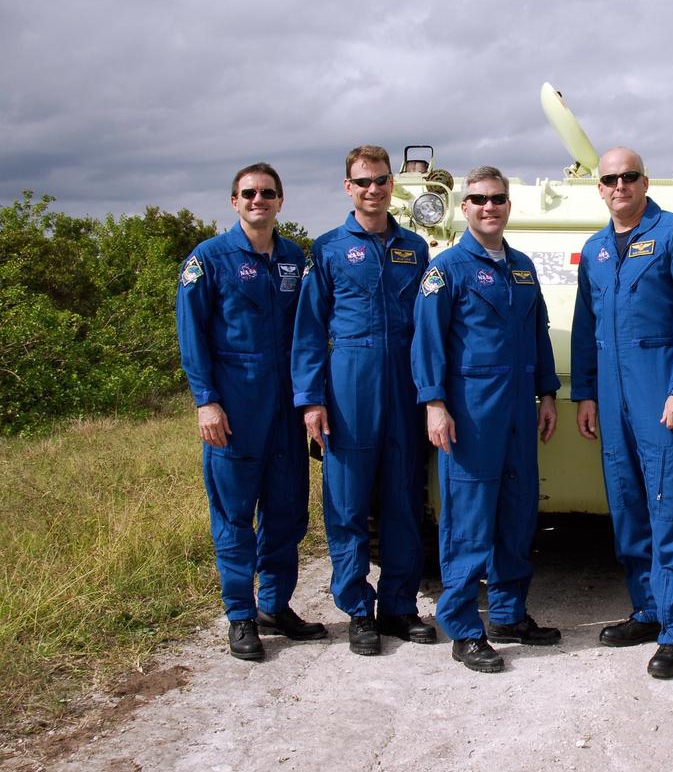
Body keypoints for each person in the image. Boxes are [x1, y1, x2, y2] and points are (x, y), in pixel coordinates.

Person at [570, 147, 673, 679]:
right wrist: (585, 392)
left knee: (669, 505)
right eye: (610, 178)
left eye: (629, 176)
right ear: (600, 188)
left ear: (645, 181)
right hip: (610, 392)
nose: (619, 185)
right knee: (628, 502)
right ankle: (648, 609)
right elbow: (586, 327)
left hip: (660, 389)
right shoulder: (596, 249)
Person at [412, 166, 562, 673]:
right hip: (471, 412)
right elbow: (427, 342)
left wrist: (547, 393)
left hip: (520, 407)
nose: (488, 207)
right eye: (478, 199)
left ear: (507, 206)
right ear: (464, 207)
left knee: (517, 516)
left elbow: (538, 331)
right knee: (469, 521)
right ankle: (462, 627)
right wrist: (434, 404)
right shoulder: (447, 269)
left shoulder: (522, 267)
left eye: (497, 199)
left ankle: (508, 613)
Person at [176, 162, 326, 660]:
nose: (257, 200)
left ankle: (274, 605)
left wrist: (312, 399)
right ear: (233, 201)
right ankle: (240, 617)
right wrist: (206, 401)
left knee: (286, 514)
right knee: (235, 517)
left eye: (267, 193)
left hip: (286, 406)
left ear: (281, 201)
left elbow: (308, 332)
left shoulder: (294, 259)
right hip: (234, 407)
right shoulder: (209, 259)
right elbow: (191, 336)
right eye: (248, 193)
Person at [292, 145, 434, 656]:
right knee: (348, 503)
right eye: (363, 181)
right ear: (348, 188)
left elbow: (430, 327)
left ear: (392, 184)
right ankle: (357, 609)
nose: (373, 189)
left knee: (403, 499)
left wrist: (433, 393)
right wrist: (311, 400)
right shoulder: (328, 249)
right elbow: (308, 330)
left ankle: (399, 606)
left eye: (380, 180)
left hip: (405, 380)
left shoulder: (414, 248)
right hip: (350, 379)